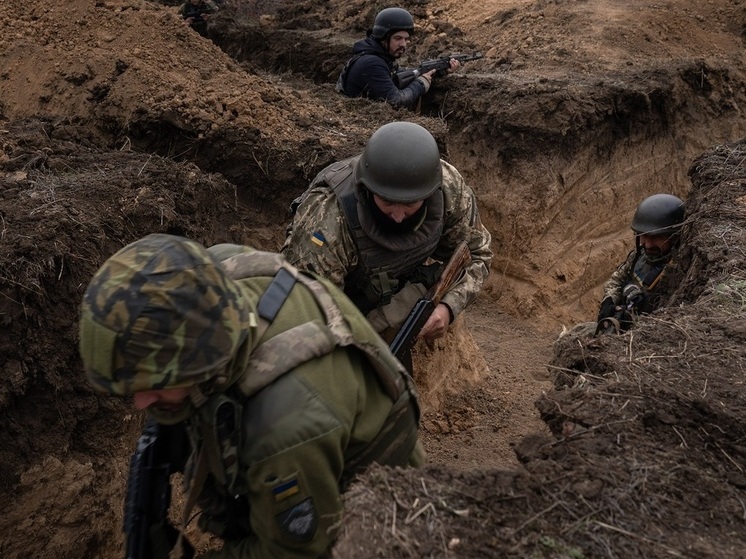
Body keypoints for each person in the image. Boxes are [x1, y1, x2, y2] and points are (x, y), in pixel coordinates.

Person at [79, 233, 423, 558]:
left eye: (153, 384)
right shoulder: (214, 275)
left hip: (383, 508)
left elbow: (295, 552)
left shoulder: (283, 429)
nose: (140, 402)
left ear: (203, 363)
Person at [282, 122, 493, 355]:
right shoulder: (328, 219)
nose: (399, 216)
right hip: (339, 305)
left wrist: (448, 307)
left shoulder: (448, 187)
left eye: (411, 204)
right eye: (387, 202)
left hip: (393, 286)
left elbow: (477, 254)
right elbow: (306, 318)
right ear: (368, 188)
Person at [335, 7, 460, 110]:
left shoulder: (381, 58)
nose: (403, 44)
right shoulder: (371, 63)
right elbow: (396, 101)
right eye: (398, 38)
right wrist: (421, 84)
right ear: (383, 38)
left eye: (406, 39)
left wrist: (439, 71)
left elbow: (405, 74)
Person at [596, 193, 686, 333]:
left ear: (674, 237)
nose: (648, 245)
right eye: (644, 236)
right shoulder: (640, 256)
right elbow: (617, 278)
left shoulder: (678, 271)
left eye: (656, 237)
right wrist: (610, 299)